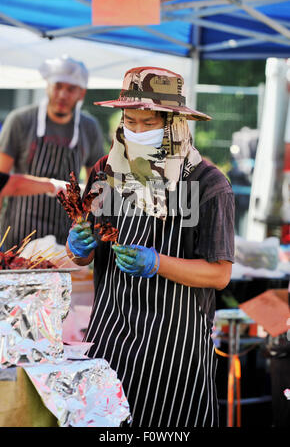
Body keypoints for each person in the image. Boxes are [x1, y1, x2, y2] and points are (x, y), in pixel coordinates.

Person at [65, 67, 235, 427]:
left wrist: (158, 263)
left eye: (148, 122)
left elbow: (220, 275)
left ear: (175, 122)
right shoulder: (103, 173)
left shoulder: (207, 184)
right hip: (109, 343)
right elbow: (85, 255)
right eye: (130, 121)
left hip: (174, 352)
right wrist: (78, 248)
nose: (137, 131)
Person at [0, 55, 104, 250]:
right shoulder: (21, 121)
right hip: (17, 240)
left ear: (82, 93)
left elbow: (97, 185)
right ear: (47, 86)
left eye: (71, 89)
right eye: (58, 86)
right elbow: (1, 181)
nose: (63, 95)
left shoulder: (89, 128)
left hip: (65, 243)